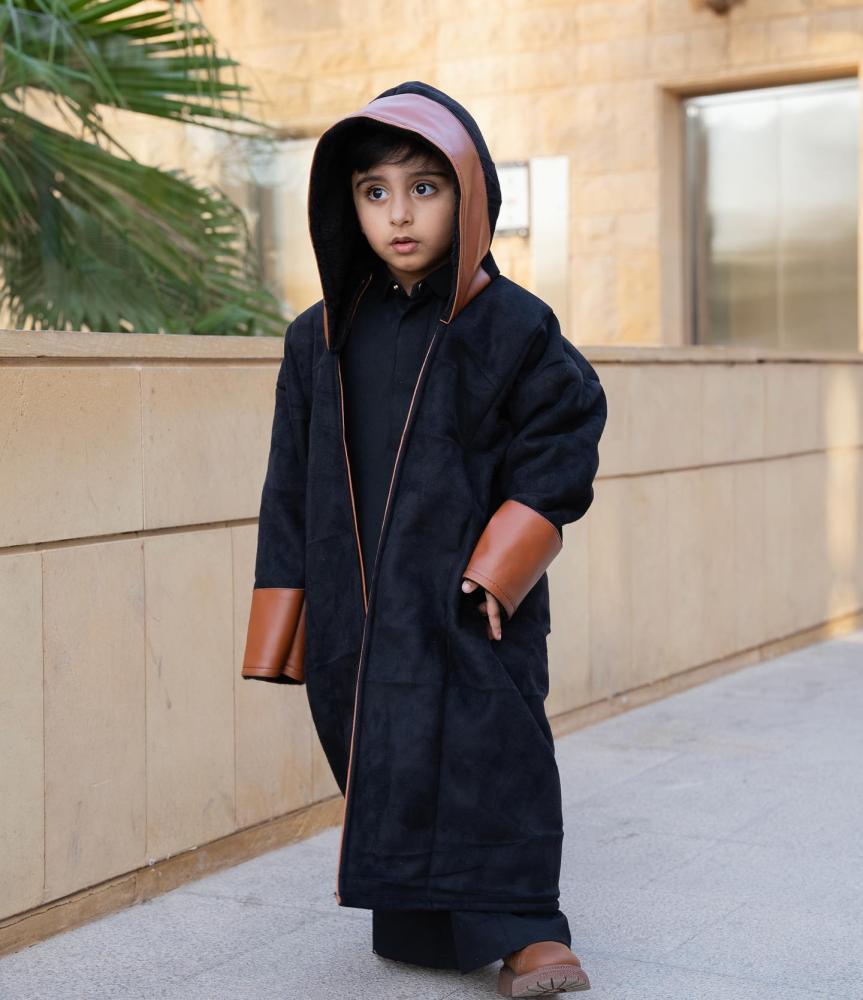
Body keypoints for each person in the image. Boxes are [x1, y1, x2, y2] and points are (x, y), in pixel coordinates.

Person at [240, 81, 607, 998]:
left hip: (469, 598)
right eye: (374, 192)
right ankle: (421, 920)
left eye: (424, 188)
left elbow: (564, 437)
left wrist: (503, 565)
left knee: (496, 750)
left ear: (468, 197)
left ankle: (528, 931)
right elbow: (288, 481)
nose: (398, 214)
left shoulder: (513, 325)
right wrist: (284, 617)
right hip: (356, 603)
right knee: (384, 752)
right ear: (347, 205)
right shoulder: (316, 339)